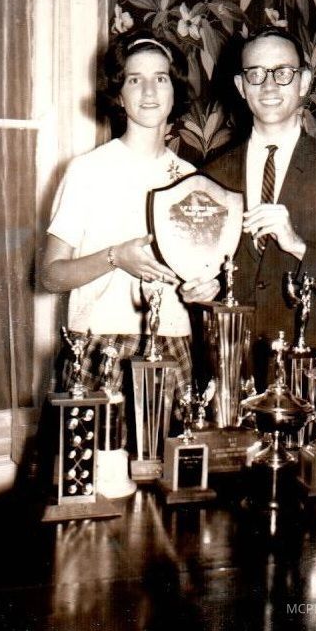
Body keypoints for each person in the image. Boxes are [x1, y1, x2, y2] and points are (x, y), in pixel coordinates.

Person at [181, 26, 316, 391]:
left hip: (311, 372)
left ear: (304, 82)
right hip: (233, 370)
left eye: (283, 73)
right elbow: (209, 276)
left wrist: (299, 246)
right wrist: (200, 290)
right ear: (241, 87)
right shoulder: (212, 176)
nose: (269, 86)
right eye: (256, 74)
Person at [41, 29, 208, 400]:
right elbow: (51, 275)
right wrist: (116, 257)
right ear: (118, 93)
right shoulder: (87, 170)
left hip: (174, 342)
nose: (149, 91)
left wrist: (201, 289)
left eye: (160, 79)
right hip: (100, 344)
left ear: (175, 92)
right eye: (135, 80)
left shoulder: (191, 180)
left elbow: (196, 277)